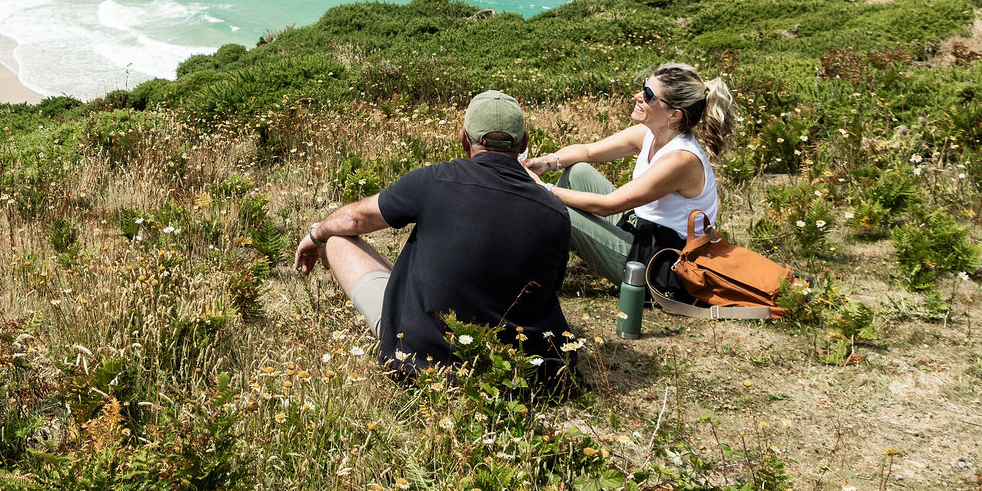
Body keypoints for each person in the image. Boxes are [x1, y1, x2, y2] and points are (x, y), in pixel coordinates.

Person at [295, 90, 570, 376]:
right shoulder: (556, 212)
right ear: (524, 142)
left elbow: (353, 219)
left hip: (424, 361)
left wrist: (317, 233)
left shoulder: (435, 179)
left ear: (464, 138)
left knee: (338, 239)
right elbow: (549, 289)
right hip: (517, 372)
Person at [522, 62, 734, 289]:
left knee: (561, 210)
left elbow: (607, 205)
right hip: (641, 228)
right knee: (578, 171)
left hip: (661, 261)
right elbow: (588, 152)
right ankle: (541, 256)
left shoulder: (680, 160)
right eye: (644, 87)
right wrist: (546, 162)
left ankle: (527, 271)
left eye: (649, 94)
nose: (638, 95)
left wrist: (543, 188)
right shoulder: (650, 134)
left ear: (674, 114)